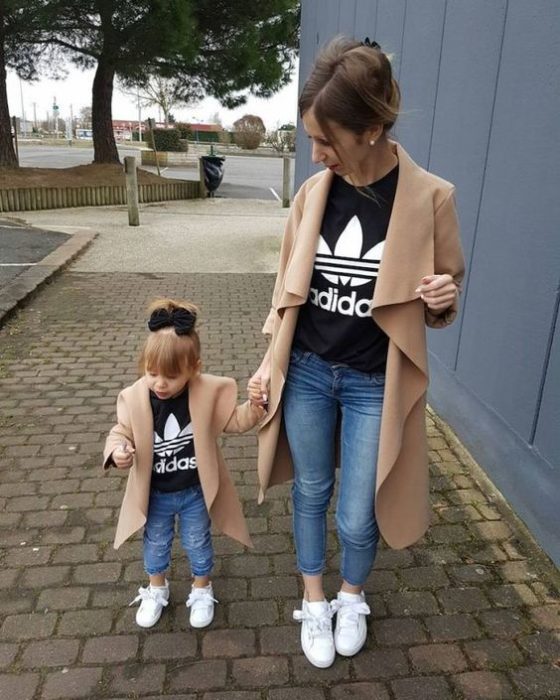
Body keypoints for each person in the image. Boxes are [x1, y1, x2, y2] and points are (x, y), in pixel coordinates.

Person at [248, 36, 465, 668]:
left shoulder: (430, 198)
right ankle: (314, 598)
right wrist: (269, 363)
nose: (315, 153)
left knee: (358, 506)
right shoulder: (312, 194)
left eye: (326, 139)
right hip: (310, 371)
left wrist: (442, 296)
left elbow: (445, 298)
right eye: (310, 137)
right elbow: (286, 290)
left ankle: (351, 595)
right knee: (310, 490)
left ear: (371, 129)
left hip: (377, 381)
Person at [104, 298, 265, 630]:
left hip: (194, 490)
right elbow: (121, 430)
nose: (160, 383)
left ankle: (202, 588)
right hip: (156, 493)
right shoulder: (136, 398)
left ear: (194, 368)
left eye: (171, 376)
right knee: (156, 541)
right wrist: (119, 449)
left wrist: (256, 405)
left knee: (197, 540)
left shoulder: (203, 394)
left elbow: (234, 421)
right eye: (152, 374)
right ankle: (155, 588)